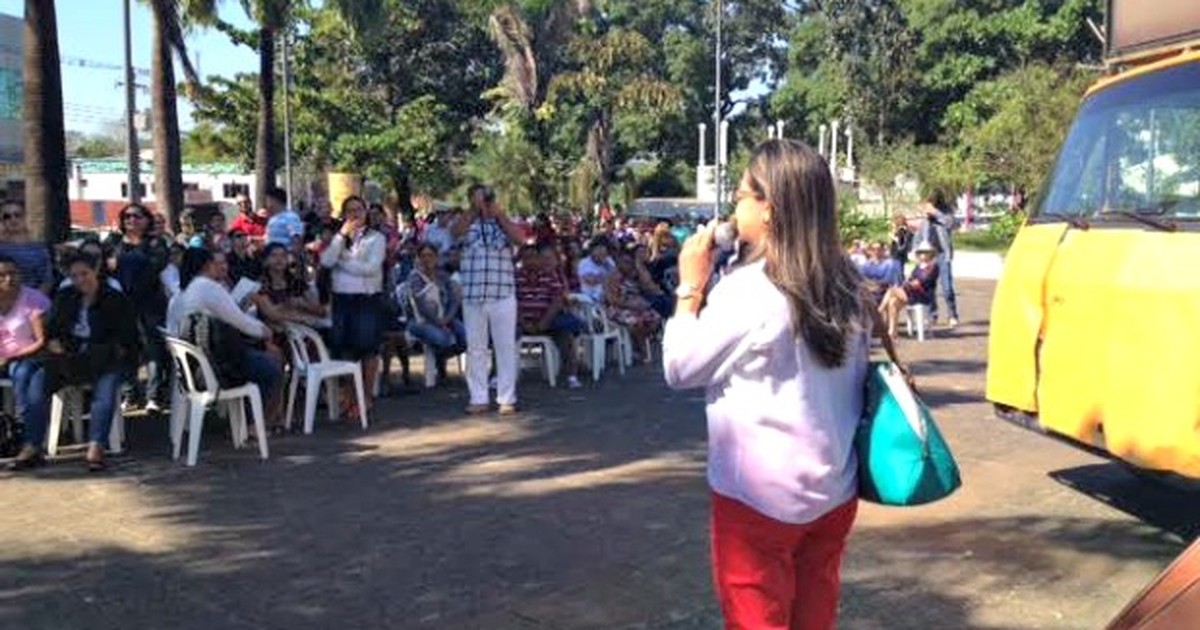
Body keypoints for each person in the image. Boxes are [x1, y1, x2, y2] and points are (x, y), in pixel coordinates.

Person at [663, 139, 888, 630]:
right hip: (832, 490)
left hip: (758, 501)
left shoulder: (748, 290)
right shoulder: (848, 284)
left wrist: (690, 287)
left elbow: (680, 368)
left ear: (769, 209)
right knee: (814, 616)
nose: (735, 207)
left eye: (743, 195)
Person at [40, 253, 141, 472]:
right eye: (74, 276)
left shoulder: (114, 298)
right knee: (38, 381)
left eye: (84, 274)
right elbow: (51, 327)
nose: (80, 280)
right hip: (73, 356)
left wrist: (108, 351)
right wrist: (53, 341)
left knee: (104, 393)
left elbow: (127, 338)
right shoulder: (66, 297)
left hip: (109, 357)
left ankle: (96, 446)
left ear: (95, 271)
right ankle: (33, 442)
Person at [169, 247, 285, 431]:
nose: (224, 267)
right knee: (273, 365)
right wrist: (266, 332)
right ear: (208, 265)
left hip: (201, 362)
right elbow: (242, 323)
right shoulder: (208, 287)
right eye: (219, 263)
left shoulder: (192, 287)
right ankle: (259, 422)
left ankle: (258, 419)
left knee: (265, 355)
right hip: (218, 364)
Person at [451, 184, 524, 415]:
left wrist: (498, 213)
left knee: (505, 347)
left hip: (502, 293)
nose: (483, 202)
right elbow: (455, 232)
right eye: (477, 198)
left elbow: (520, 239)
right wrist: (474, 210)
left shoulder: (503, 221)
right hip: (473, 294)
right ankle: (478, 397)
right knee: (476, 349)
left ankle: (506, 398)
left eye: (485, 197)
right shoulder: (466, 221)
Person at [320, 195, 387, 419]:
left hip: (366, 298)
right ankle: (351, 396)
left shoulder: (376, 238)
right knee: (345, 350)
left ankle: (366, 397)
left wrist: (344, 261)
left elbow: (370, 268)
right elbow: (327, 261)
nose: (354, 214)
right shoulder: (339, 238)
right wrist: (340, 237)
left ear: (365, 211)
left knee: (368, 349)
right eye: (350, 210)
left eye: (358, 210)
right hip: (342, 299)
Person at [105, 203, 170, 414]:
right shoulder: (113, 241)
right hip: (121, 306)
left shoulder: (155, 242)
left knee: (153, 350)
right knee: (125, 352)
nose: (132, 220)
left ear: (147, 219)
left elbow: (155, 266)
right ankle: (129, 394)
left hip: (149, 305)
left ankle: (153, 396)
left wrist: (122, 261)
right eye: (127, 217)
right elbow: (103, 265)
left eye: (137, 216)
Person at [0, 255, 52, 470]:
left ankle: (29, 441)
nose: (8, 279)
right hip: (8, 363)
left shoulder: (32, 299)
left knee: (28, 379)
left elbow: (42, 341)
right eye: (2, 275)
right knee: (23, 376)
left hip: (32, 357)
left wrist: (9, 357)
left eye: (13, 273)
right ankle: (30, 444)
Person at [515, 243, 583, 389]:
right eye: (526, 258)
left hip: (548, 320)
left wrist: (544, 321)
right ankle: (496, 375)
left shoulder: (550, 276)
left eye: (534, 257)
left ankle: (571, 375)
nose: (530, 261)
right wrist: (522, 321)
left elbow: (558, 299)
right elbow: (513, 302)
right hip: (522, 321)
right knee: (502, 336)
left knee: (566, 334)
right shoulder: (515, 277)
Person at [404, 243, 466, 362]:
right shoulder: (415, 278)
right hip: (420, 320)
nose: (427, 259)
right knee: (444, 339)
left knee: (465, 337)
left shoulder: (443, 276)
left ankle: (441, 358)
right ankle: (439, 360)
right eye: (423, 256)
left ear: (436, 257)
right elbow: (422, 306)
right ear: (418, 258)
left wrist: (446, 319)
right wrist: (439, 323)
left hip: (445, 318)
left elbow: (454, 300)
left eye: (430, 255)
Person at [878, 241, 940, 339]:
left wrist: (911, 283)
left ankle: (879, 311)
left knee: (891, 291)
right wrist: (909, 282)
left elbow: (924, 280)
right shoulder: (918, 266)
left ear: (930, 254)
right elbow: (911, 279)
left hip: (922, 295)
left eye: (925, 252)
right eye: (921, 252)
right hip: (911, 292)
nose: (923, 255)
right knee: (892, 302)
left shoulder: (933, 266)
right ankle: (892, 331)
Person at [918, 189, 959, 327]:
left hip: (943, 254)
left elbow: (952, 224)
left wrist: (936, 213)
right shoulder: (925, 219)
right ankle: (932, 315)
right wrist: (915, 250)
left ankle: (953, 314)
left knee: (947, 287)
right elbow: (920, 235)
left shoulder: (944, 214)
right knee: (929, 287)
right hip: (929, 256)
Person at [0, 199, 53, 293]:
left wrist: (33, 302)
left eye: (17, 215)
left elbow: (47, 281)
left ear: (25, 217)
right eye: (7, 216)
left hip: (32, 301)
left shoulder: (39, 249)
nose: (13, 219)